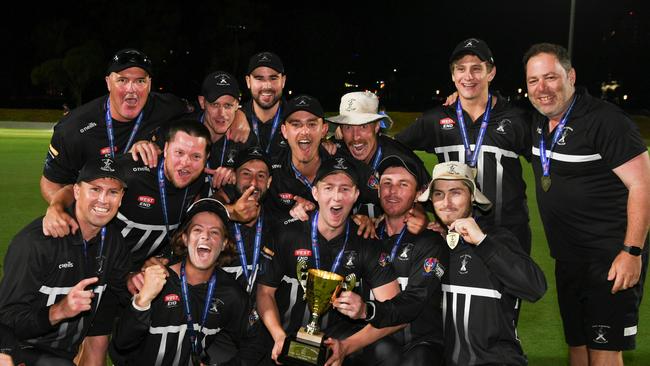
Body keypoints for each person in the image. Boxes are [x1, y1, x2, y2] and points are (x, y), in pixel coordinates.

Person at [42, 119, 213, 364]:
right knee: (91, 347)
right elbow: (81, 185)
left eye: (196, 156)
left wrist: (162, 258)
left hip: (139, 279)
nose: (185, 163)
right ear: (164, 149)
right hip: (100, 271)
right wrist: (56, 207)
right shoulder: (133, 168)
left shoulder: (199, 185)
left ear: (206, 160)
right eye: (179, 153)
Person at [524, 43, 650, 366]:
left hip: (610, 260)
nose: (542, 88)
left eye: (550, 77)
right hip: (568, 260)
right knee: (578, 350)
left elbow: (643, 184)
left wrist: (632, 252)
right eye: (533, 81)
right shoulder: (538, 124)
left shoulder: (605, 120)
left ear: (571, 76)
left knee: (605, 356)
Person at [257, 156, 403, 366]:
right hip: (285, 335)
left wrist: (348, 345)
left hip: (337, 343)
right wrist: (279, 336)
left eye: (345, 189)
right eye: (328, 188)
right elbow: (264, 292)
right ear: (315, 193)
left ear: (356, 195)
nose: (336, 197)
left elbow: (396, 311)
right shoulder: (286, 233)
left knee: (388, 352)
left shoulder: (366, 242)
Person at [395, 38, 533, 254]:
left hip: (507, 237)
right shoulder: (436, 119)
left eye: (477, 69)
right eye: (461, 69)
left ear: (491, 72)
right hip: (453, 236)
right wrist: (422, 195)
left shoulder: (516, 118)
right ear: (453, 75)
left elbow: (549, 164)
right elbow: (393, 151)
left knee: (512, 288)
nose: (468, 76)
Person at [0, 157, 131, 365]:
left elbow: (121, 294)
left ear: (121, 198)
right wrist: (60, 310)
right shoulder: (36, 242)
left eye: (112, 192)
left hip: (61, 355)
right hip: (16, 347)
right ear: (77, 192)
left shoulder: (114, 242)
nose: (103, 200)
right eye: (95, 190)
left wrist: (141, 281)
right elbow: (6, 317)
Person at [419, 161, 546, 366]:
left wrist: (482, 241)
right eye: (439, 194)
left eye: (456, 192)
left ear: (472, 197)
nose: (447, 202)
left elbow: (535, 287)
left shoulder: (497, 239)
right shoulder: (432, 244)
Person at [41, 48, 192, 204]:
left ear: (149, 84)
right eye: (122, 80)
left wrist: (160, 142)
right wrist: (64, 211)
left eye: (140, 81)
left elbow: (202, 117)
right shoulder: (73, 128)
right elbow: (51, 182)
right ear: (108, 83)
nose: (131, 89)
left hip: (145, 212)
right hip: (96, 211)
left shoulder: (169, 107)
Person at [109, 198, 250, 365]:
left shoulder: (230, 292)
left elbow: (255, 342)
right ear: (184, 238)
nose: (205, 236)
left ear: (224, 244)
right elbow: (122, 343)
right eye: (197, 230)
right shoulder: (157, 279)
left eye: (214, 232)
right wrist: (142, 301)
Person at [371, 155, 446, 365]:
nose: (392, 191)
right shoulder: (364, 236)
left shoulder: (431, 241)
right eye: (387, 183)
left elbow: (414, 303)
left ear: (418, 194)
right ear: (378, 190)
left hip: (421, 344)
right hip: (375, 341)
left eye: (403, 184)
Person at [265, 94, 378, 232]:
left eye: (312, 124)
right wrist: (290, 218)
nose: (304, 131)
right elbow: (260, 223)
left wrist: (365, 220)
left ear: (324, 130)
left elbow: (388, 197)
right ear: (284, 131)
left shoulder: (345, 163)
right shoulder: (271, 170)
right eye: (296, 124)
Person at [326, 91, 430, 219]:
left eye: (363, 126)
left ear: (377, 127)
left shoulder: (404, 159)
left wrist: (418, 211)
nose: (355, 137)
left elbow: (428, 201)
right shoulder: (332, 151)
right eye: (348, 127)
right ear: (340, 130)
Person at [241, 51, 288, 159]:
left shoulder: (295, 119)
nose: (267, 86)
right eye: (259, 78)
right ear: (248, 81)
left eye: (273, 78)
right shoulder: (233, 120)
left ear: (283, 81)